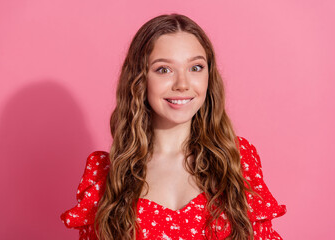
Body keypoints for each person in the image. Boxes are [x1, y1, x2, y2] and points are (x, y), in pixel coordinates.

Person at [60, 13, 286, 240]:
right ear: (139, 79)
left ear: (209, 75)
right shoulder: (106, 176)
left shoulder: (239, 161)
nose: (183, 84)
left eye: (196, 68)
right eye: (164, 69)